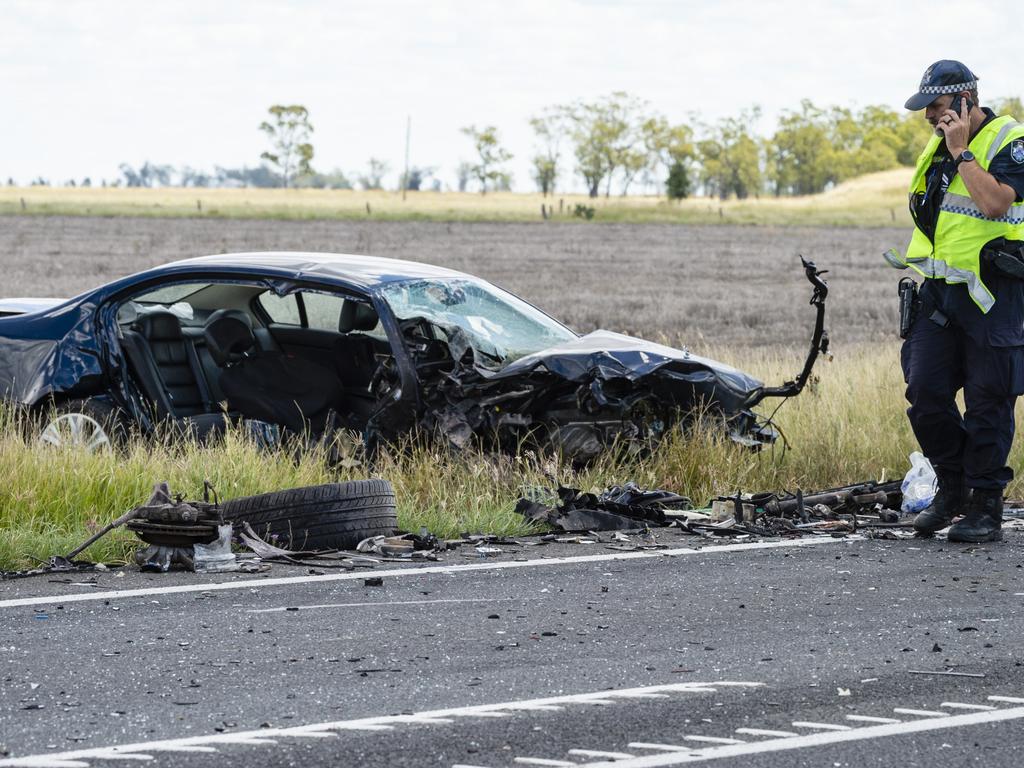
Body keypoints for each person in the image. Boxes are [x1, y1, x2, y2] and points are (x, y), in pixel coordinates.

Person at [898, 60, 1024, 542]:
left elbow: (995, 204)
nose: (932, 117)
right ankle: (952, 488)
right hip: (940, 295)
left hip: (995, 296)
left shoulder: (1008, 141)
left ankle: (986, 506)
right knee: (925, 392)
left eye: (938, 106)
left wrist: (963, 153)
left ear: (967, 97)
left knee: (988, 402)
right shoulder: (937, 145)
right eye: (927, 110)